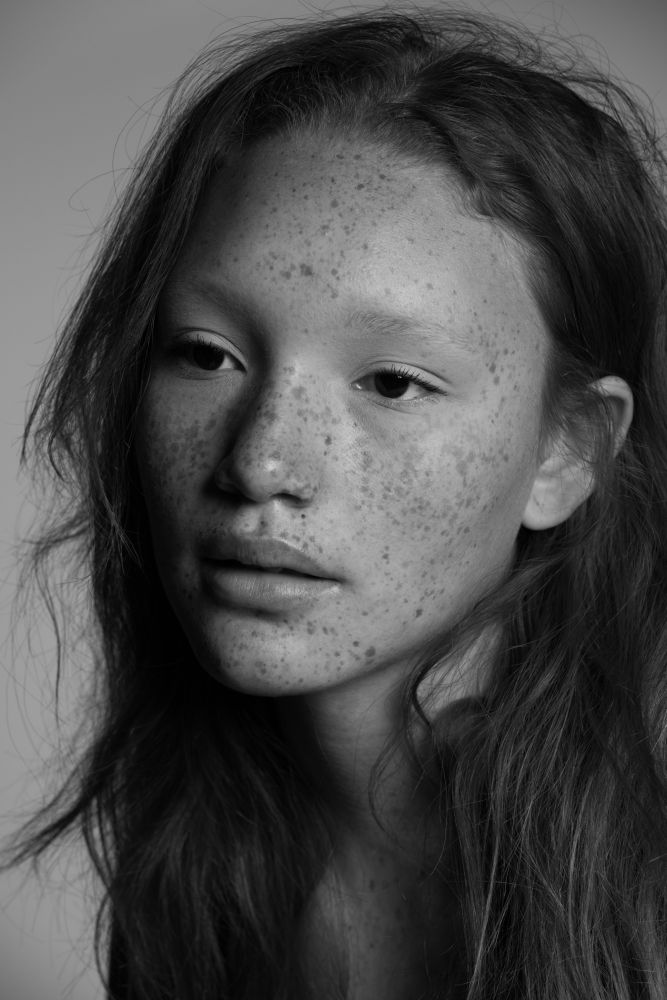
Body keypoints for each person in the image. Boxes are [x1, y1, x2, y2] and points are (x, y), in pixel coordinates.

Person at [3, 5, 666, 999]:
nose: (262, 462)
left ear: (564, 452)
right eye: (206, 355)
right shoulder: (205, 845)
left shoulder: (642, 888)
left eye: (391, 382)